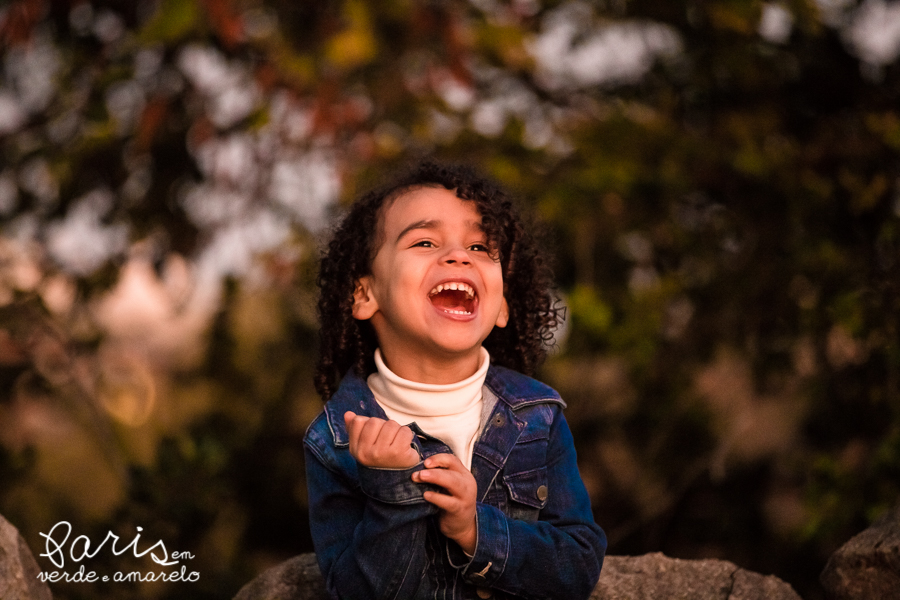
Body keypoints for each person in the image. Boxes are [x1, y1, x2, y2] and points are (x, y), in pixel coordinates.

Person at [304, 160, 606, 600]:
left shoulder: (537, 417)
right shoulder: (336, 439)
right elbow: (353, 592)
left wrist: (475, 529)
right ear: (365, 294)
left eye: (481, 248)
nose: (459, 255)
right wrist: (393, 490)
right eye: (425, 241)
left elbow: (578, 564)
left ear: (502, 306)